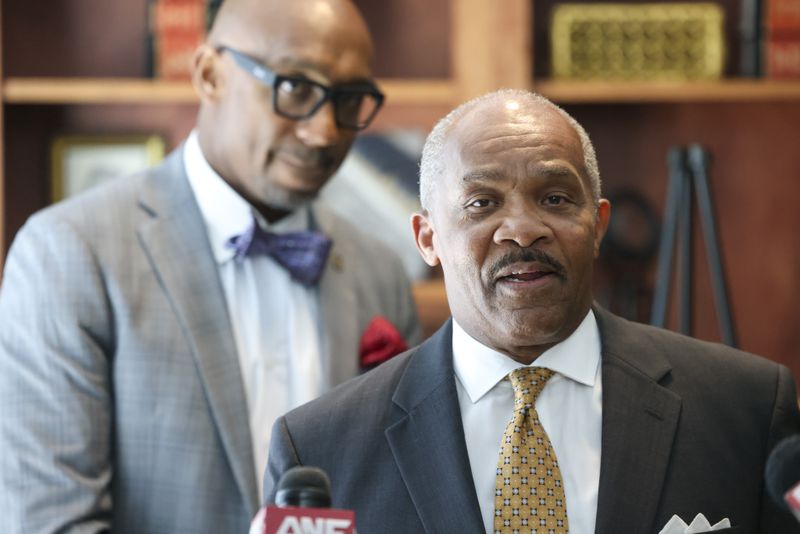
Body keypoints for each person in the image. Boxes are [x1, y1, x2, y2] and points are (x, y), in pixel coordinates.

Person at [264, 89, 800, 534]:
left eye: (557, 199)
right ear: (428, 238)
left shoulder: (747, 410)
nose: (522, 229)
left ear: (600, 224)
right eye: (482, 203)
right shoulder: (320, 449)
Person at [0, 0, 420, 532]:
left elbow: (399, 498)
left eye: (349, 99)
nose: (324, 132)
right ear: (210, 74)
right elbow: (50, 521)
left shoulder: (378, 270)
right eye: (294, 87)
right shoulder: (69, 252)